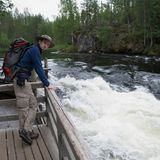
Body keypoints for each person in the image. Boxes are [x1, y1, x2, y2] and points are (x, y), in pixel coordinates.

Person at [13, 35, 56, 145]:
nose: (46, 45)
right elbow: (38, 68)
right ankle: (25, 131)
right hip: (21, 81)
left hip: (24, 81)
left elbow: (37, 68)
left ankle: (27, 130)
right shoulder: (34, 50)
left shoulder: (35, 50)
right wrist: (47, 83)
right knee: (24, 108)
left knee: (33, 105)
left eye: (48, 44)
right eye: (45, 43)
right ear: (40, 41)